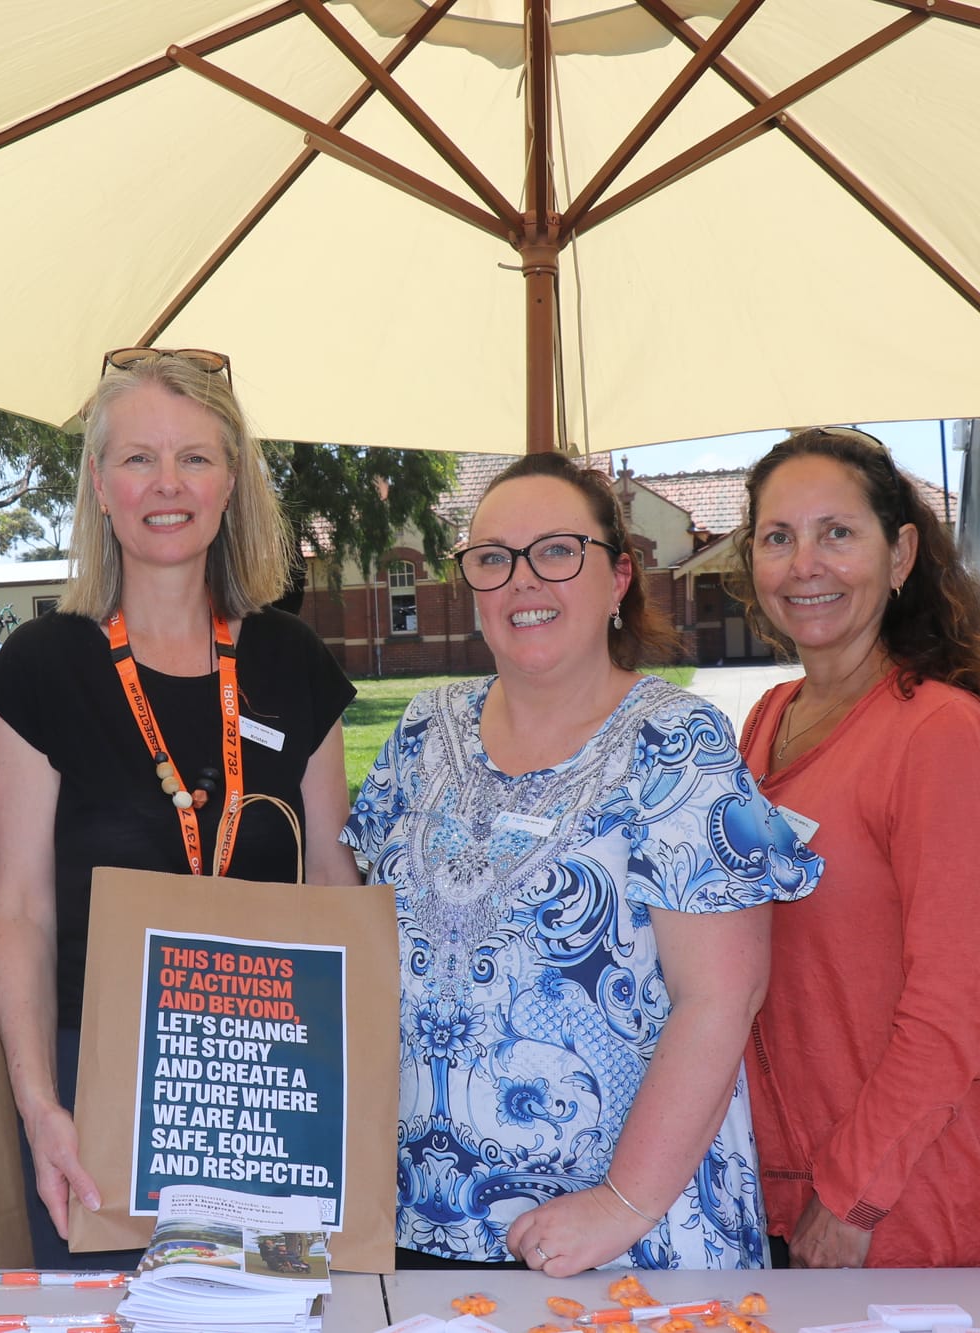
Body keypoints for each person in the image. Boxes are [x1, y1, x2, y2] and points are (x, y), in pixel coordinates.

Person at [343, 452, 821, 1274]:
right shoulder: (423, 731)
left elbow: (723, 995)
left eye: (557, 551)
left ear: (618, 578)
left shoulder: (680, 744)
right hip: (413, 1221)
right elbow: (355, 941)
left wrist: (620, 1204)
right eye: (494, 559)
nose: (523, 581)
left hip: (625, 1242)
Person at [0, 348, 358, 1265]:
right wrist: (42, 1108)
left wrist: (356, 1084)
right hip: (94, 1081)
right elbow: (22, 909)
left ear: (232, 481)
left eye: (194, 456)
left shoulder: (293, 661)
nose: (166, 483)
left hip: (272, 1085)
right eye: (137, 457)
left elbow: (333, 883)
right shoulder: (41, 667)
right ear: (100, 485)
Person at [730, 427, 980, 1268]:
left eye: (838, 532)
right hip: (782, 1203)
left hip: (902, 1208)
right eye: (778, 536)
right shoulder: (766, 720)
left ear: (900, 553)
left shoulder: (938, 731)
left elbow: (958, 1007)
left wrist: (850, 1195)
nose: (806, 563)